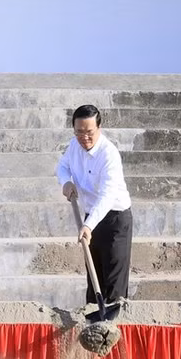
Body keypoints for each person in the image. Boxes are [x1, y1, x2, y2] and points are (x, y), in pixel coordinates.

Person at [57, 104, 133, 305]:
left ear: (99, 128)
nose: (84, 137)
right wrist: (66, 182)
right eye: (79, 132)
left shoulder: (109, 154)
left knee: (114, 283)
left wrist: (89, 225)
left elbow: (107, 196)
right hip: (91, 218)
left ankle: (114, 325)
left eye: (89, 132)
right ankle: (92, 323)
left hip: (115, 219)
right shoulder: (74, 145)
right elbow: (63, 166)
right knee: (94, 277)